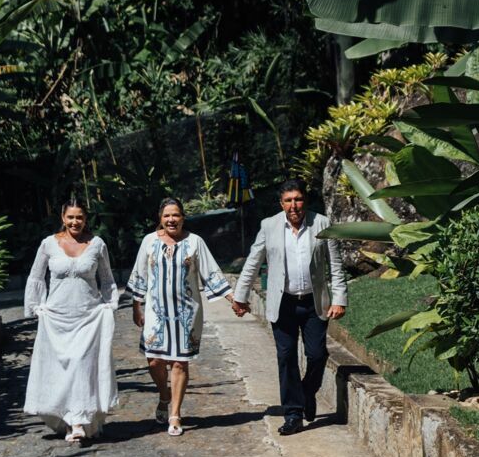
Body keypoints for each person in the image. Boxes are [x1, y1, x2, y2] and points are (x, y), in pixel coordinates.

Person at [231, 178, 347, 435]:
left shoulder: (321, 223)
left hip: (313, 302)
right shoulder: (269, 225)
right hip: (282, 303)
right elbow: (253, 261)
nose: (294, 205)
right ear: (281, 203)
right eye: (288, 200)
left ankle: (307, 392)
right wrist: (240, 296)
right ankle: (293, 414)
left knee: (317, 354)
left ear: (305, 200)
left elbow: (335, 265)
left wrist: (339, 299)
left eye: (298, 199)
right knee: (286, 358)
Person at [128, 198, 230, 437]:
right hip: (155, 312)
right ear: (160, 218)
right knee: (154, 360)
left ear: (183, 217)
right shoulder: (149, 242)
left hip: (186, 312)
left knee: (179, 362)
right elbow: (140, 275)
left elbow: (211, 273)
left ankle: (175, 413)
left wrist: (232, 299)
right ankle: (164, 396)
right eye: (167, 216)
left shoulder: (195, 242)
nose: (171, 220)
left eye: (176, 215)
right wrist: (136, 306)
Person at [23, 198, 118, 443]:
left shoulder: (97, 244)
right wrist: (36, 307)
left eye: (80, 217)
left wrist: (109, 305)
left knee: (81, 366)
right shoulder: (48, 244)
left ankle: (79, 420)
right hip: (57, 318)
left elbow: (106, 279)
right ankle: (66, 418)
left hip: (88, 317)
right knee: (61, 370)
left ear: (86, 219)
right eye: (71, 217)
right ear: (63, 218)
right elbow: (36, 276)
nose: (75, 222)